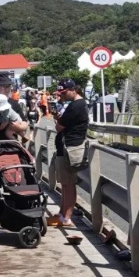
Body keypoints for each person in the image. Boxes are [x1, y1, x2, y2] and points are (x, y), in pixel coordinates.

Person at [51, 79, 89, 227]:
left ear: (73, 89)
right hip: (67, 147)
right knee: (65, 184)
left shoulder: (76, 106)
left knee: (68, 184)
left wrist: (58, 120)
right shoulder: (79, 104)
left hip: (70, 148)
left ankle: (66, 217)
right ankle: (62, 214)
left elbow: (59, 127)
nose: (62, 96)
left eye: (64, 93)